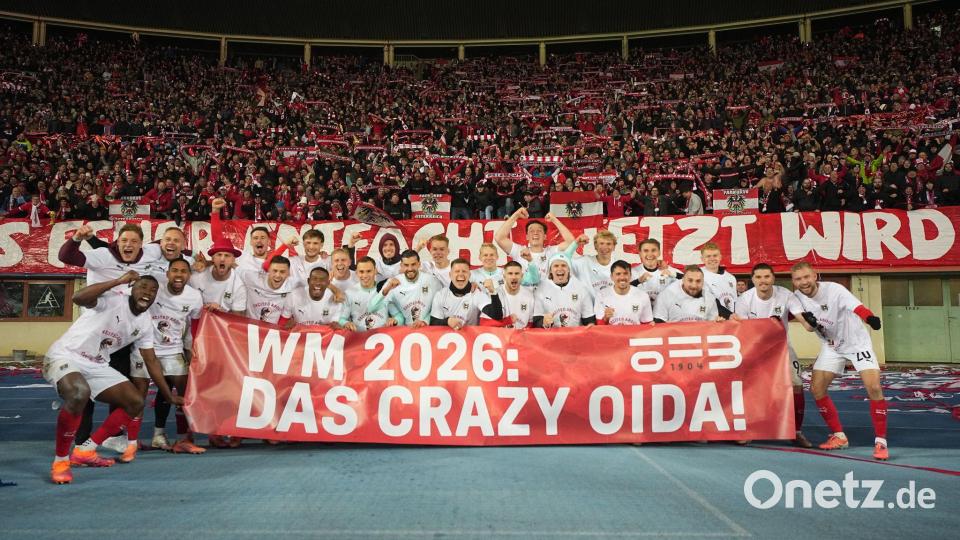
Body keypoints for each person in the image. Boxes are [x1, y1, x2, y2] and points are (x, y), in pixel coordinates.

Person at [42, 271, 181, 484]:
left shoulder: (144, 323)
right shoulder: (113, 299)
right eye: (143, 287)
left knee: (135, 402)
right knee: (79, 394)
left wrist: (168, 395)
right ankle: (61, 461)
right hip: (66, 355)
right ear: (132, 289)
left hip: (97, 364)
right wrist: (117, 281)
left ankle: (85, 451)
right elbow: (77, 298)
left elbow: (151, 361)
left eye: (153, 290)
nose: (148, 293)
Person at [787, 262, 888, 460]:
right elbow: (791, 315)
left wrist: (870, 318)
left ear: (815, 276)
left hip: (857, 344)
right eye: (798, 279)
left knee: (874, 387)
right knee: (817, 388)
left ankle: (881, 442)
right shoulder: (796, 298)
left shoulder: (835, 290)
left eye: (806, 277)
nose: (803, 282)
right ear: (793, 282)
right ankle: (839, 436)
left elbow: (857, 307)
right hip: (831, 347)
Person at [128, 259, 204, 454]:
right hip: (144, 348)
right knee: (138, 397)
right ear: (168, 273)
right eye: (175, 271)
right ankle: (131, 442)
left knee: (184, 393)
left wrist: (191, 350)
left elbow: (194, 327)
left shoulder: (194, 297)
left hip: (173, 350)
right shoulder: (153, 288)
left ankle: (182, 438)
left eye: (184, 271)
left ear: (189, 275)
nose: (179, 275)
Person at [733, 263, 812, 448]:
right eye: (759, 277)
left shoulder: (786, 295)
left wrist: (810, 325)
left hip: (782, 348)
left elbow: (801, 316)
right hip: (754, 349)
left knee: (797, 386)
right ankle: (749, 429)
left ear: (773, 278)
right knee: (748, 389)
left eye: (767, 277)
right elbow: (742, 327)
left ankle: (797, 432)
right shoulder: (745, 299)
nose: (763, 281)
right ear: (753, 280)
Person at [494, 208, 576, 291]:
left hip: (546, 300)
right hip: (524, 300)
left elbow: (571, 242)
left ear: (545, 236)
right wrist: (516, 215)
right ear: (527, 236)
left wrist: (554, 220)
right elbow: (499, 238)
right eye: (531, 231)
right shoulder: (519, 250)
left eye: (539, 230)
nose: (535, 233)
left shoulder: (551, 251)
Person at [369, 249, 442, 328]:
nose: (410, 269)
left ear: (419, 264)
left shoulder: (432, 281)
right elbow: (371, 309)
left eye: (413, 264)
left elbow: (439, 308)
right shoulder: (392, 283)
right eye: (406, 265)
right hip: (406, 334)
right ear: (401, 265)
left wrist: (425, 321)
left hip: (429, 331)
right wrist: (386, 290)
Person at [429, 259, 503, 328]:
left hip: (470, 340)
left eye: (464, 271)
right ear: (450, 275)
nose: (461, 274)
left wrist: (493, 292)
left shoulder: (476, 294)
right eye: (457, 271)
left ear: (469, 275)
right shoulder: (441, 295)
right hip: (447, 340)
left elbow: (497, 316)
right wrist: (447, 321)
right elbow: (433, 322)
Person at [339, 257, 402, 331]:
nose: (365, 275)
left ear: (375, 271)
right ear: (356, 273)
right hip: (360, 339)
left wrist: (395, 321)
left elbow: (399, 316)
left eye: (369, 271)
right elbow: (342, 319)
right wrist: (346, 323)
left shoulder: (385, 289)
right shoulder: (349, 293)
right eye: (361, 272)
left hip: (382, 338)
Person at [533, 254, 596, 328]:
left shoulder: (581, 288)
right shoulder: (541, 289)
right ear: (550, 270)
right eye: (556, 266)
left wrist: (591, 325)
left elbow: (589, 319)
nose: (560, 268)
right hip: (551, 337)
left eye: (563, 265)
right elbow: (536, 320)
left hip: (575, 335)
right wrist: (543, 322)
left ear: (569, 269)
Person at [653, 266, 724, 323]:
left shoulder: (710, 298)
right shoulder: (666, 295)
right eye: (690, 280)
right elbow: (659, 325)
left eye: (698, 281)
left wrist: (717, 322)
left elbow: (712, 326)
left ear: (703, 282)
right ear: (683, 280)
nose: (694, 285)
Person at [595, 260, 654, 325]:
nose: (622, 277)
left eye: (625, 273)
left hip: (634, 335)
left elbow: (647, 324)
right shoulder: (601, 295)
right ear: (611, 277)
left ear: (630, 276)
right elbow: (598, 327)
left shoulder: (643, 296)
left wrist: (651, 325)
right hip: (612, 335)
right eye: (618, 274)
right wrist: (605, 318)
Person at [479, 261, 536, 328]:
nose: (514, 277)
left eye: (517, 273)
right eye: (510, 273)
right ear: (504, 276)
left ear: (522, 276)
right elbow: (484, 323)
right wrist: (507, 321)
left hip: (521, 336)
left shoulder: (529, 295)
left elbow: (530, 324)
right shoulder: (494, 294)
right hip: (501, 336)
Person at [630, 238, 681, 307]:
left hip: (664, 315)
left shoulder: (671, 272)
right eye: (646, 251)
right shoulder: (631, 273)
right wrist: (637, 281)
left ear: (659, 252)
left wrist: (675, 274)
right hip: (640, 315)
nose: (650, 254)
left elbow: (691, 282)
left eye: (653, 250)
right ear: (640, 253)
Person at [699, 242, 738, 314]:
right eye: (708, 256)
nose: (712, 259)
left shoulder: (731, 278)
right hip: (709, 320)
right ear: (702, 259)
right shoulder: (698, 274)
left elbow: (735, 302)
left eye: (715, 255)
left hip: (730, 320)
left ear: (720, 257)